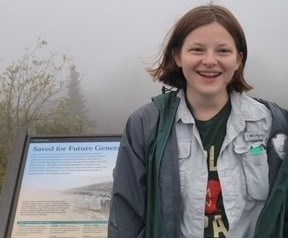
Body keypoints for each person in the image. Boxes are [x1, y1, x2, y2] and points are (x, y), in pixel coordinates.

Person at [108, 4, 287, 238]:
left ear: (238, 59)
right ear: (177, 56)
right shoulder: (145, 125)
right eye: (197, 50)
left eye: (223, 51)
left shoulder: (275, 125)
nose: (210, 61)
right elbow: (126, 221)